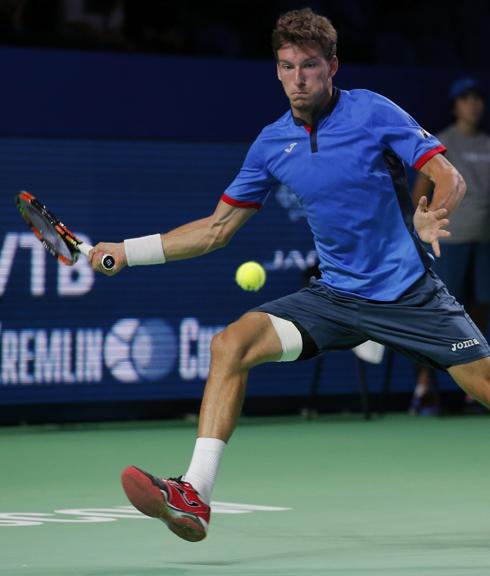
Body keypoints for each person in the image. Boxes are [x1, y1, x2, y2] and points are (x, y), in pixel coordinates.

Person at [89, 8, 490, 542]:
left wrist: (431, 212)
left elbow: (448, 176)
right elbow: (215, 230)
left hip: (407, 294)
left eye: (309, 66)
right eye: (286, 67)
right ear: (276, 70)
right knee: (231, 344)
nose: (298, 79)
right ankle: (195, 494)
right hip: (334, 298)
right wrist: (128, 251)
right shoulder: (271, 144)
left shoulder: (372, 112)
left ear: (332, 67)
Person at [411, 77, 490, 415]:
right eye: (465, 98)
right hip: (449, 242)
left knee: (480, 314)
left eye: (477, 98)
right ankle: (425, 389)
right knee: (441, 316)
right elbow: (419, 195)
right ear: (455, 105)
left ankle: (475, 389)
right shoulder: (441, 141)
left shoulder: (489, 143)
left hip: (485, 242)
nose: (472, 104)